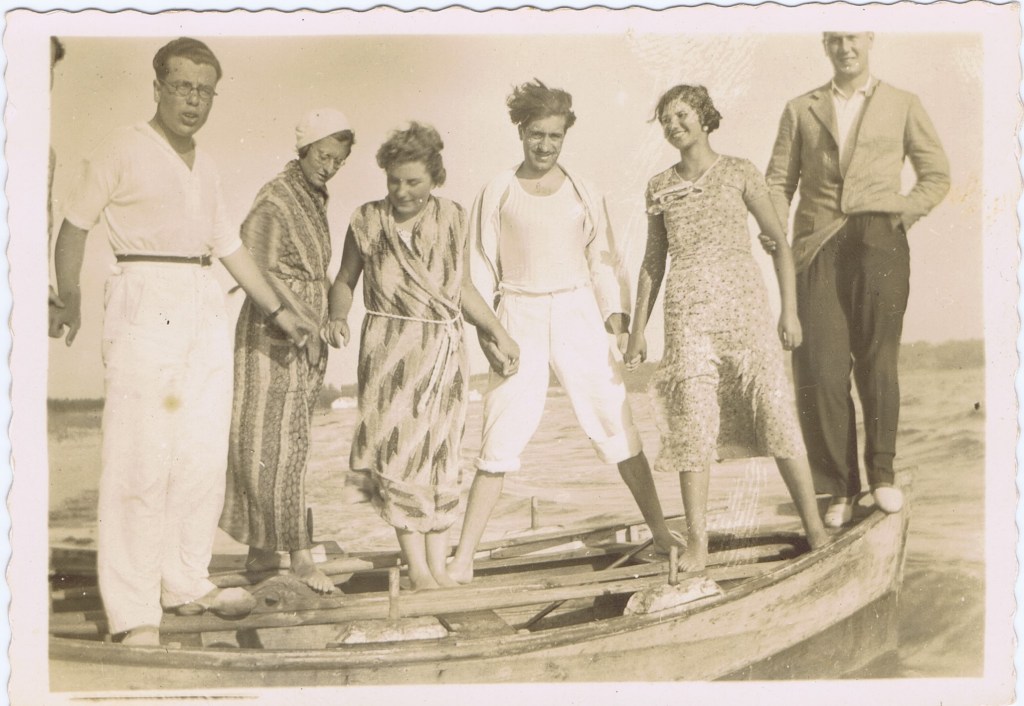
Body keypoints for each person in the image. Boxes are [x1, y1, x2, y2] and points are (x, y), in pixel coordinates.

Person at [51, 38, 318, 645]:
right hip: (145, 295)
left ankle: (186, 581)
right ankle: (133, 611)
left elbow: (229, 248)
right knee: (140, 460)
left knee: (198, 456)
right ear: (158, 88)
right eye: (182, 87)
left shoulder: (209, 165)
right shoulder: (122, 147)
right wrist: (68, 295)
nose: (193, 100)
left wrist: (281, 312)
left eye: (204, 90)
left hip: (202, 304)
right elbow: (74, 225)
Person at [448, 79, 685, 585]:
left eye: (555, 136)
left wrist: (616, 321)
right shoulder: (497, 190)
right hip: (518, 315)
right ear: (520, 130)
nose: (545, 145)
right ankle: (464, 557)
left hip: (577, 310)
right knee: (500, 430)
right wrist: (490, 335)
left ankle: (662, 534)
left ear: (565, 135)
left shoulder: (584, 189)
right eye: (537, 134)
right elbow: (480, 269)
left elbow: (603, 263)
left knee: (616, 420)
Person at [625, 84, 829, 571]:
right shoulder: (658, 186)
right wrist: (638, 330)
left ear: (704, 117)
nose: (675, 125)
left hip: (744, 309)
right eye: (666, 119)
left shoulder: (739, 171)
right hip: (688, 314)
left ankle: (816, 529)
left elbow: (778, 242)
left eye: (683, 114)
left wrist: (790, 312)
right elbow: (653, 261)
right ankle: (697, 544)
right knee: (692, 423)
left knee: (775, 410)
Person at [323, 122, 519, 590]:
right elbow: (345, 279)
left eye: (413, 182)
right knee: (400, 457)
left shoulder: (452, 216)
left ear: (435, 178)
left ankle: (437, 562)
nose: (402, 191)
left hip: (443, 351)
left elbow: (461, 287)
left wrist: (497, 331)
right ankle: (416, 568)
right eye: (394, 181)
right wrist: (337, 317)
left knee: (441, 457)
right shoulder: (366, 220)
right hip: (390, 352)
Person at [765, 32, 950, 527]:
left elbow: (936, 174)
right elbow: (778, 182)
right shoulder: (800, 107)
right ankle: (838, 488)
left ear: (870, 39)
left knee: (878, 361)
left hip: (879, 242)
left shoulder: (902, 102)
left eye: (854, 38)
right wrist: (776, 233)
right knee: (819, 370)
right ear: (825, 45)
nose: (846, 48)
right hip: (816, 245)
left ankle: (882, 476)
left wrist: (898, 216)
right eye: (835, 40)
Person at [219, 109, 354, 594]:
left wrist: (325, 321)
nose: (330, 167)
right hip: (272, 331)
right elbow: (252, 261)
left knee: (281, 444)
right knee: (271, 445)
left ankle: (261, 554)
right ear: (305, 149)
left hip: (302, 332)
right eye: (324, 157)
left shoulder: (312, 195)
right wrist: (292, 316)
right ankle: (297, 558)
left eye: (338, 161)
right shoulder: (277, 197)